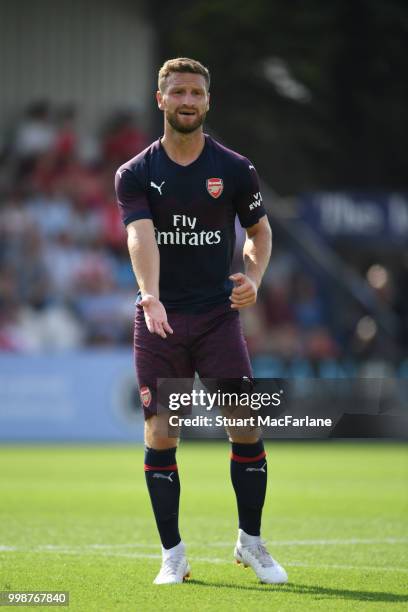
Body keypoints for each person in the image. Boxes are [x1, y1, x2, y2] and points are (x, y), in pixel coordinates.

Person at [115, 57, 287, 585]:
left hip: (217, 319)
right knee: (163, 433)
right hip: (161, 321)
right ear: (160, 99)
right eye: (178, 92)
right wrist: (151, 295)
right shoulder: (136, 173)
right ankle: (174, 555)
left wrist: (253, 278)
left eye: (196, 93)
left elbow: (259, 233)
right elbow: (139, 235)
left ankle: (251, 543)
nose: (188, 101)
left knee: (246, 424)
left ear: (207, 102)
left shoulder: (235, 168)